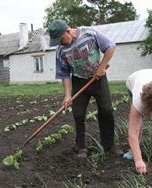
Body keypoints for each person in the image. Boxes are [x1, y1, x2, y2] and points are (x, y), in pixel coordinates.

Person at [48, 19, 119, 158]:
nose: (60, 43)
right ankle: (81, 147)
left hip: (98, 79)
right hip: (79, 81)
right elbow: (64, 74)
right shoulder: (61, 51)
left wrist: (102, 66)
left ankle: (109, 146)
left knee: (106, 110)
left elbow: (110, 46)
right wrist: (67, 95)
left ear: (68, 31)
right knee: (78, 114)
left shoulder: (89, 33)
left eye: (61, 39)